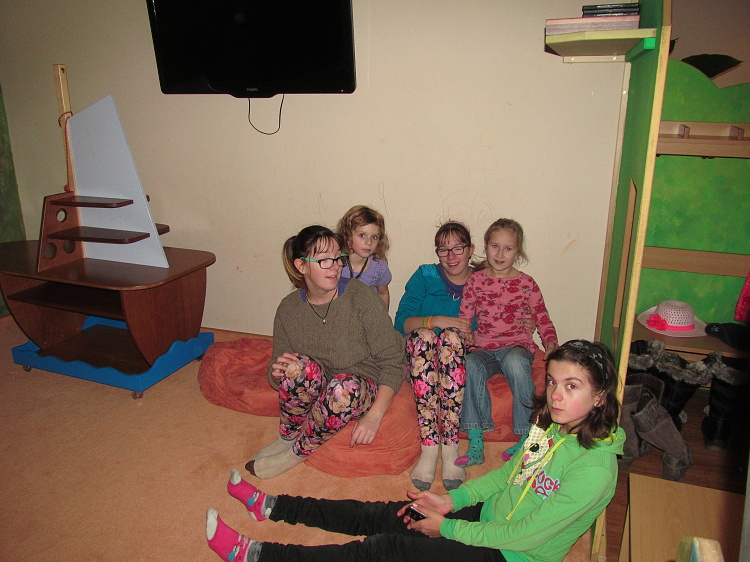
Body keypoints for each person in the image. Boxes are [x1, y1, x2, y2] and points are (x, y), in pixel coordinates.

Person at [205, 339, 625, 562]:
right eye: (552, 381)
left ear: (600, 397)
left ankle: (259, 555)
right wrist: (450, 502)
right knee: (387, 515)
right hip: (491, 517)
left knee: (386, 550)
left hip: (513, 554)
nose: (555, 395)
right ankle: (274, 506)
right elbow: (506, 477)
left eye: (572, 386)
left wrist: (447, 529)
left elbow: (526, 534)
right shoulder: (550, 426)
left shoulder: (595, 472)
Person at [245, 225, 405, 479]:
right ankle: (288, 436)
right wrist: (277, 373)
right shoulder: (288, 309)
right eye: (324, 260)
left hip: (358, 383)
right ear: (301, 266)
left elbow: (394, 361)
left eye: (338, 257)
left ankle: (297, 453)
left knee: (343, 388)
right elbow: (279, 364)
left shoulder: (360, 297)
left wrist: (375, 416)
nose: (336, 266)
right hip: (320, 383)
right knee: (296, 367)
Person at [456, 219, 558, 468]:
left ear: (517, 251)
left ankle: (527, 436)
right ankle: (476, 441)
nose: (500, 254)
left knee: (514, 361)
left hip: (516, 346)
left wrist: (551, 344)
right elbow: (464, 319)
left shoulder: (526, 283)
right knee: (471, 363)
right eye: (495, 247)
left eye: (508, 249)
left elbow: (542, 317)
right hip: (484, 349)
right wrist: (465, 335)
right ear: (486, 247)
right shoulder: (475, 281)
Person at [393, 221, 476, 492]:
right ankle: (429, 446)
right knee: (426, 335)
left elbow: (492, 324)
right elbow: (401, 322)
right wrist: (436, 320)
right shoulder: (425, 275)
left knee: (451, 338)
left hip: (457, 355)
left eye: (458, 248)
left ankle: (450, 445)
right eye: (443, 250)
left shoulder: (482, 280)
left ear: (471, 249)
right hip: (422, 353)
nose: (451, 256)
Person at [336, 205, 392, 308]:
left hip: (368, 314)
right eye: (362, 235)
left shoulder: (379, 267)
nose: (369, 242)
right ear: (348, 236)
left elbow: (383, 293)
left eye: (374, 237)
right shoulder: (336, 263)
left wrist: (383, 316)